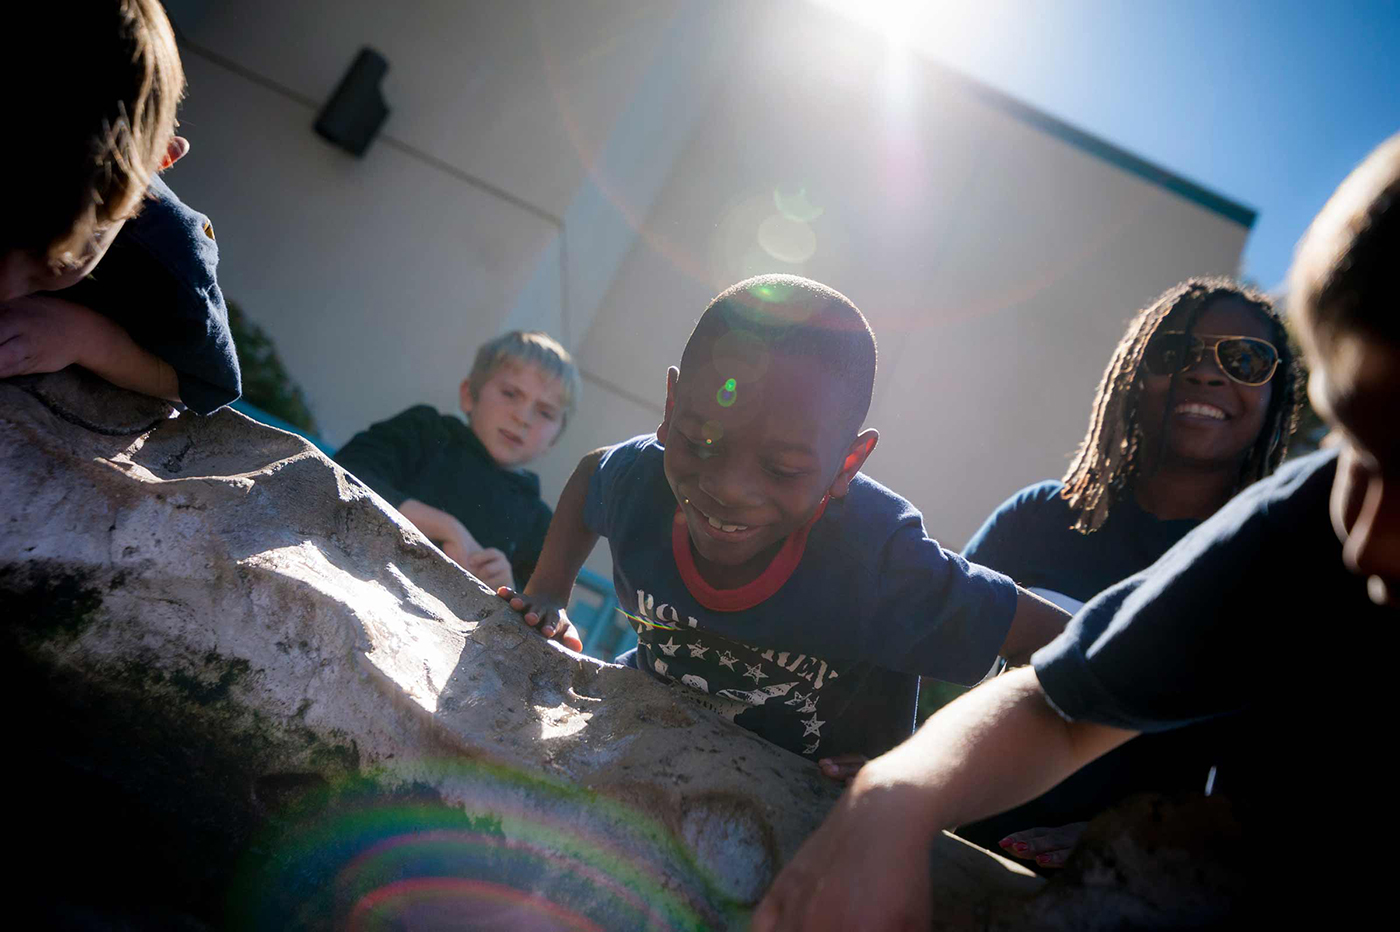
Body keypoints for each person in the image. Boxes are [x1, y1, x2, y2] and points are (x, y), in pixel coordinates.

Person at [752, 132, 1400, 931]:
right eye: (1356, 447)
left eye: (1244, 360)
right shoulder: (1287, 535)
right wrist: (894, 789)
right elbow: (1051, 702)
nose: (1369, 539)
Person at [499, 274, 1072, 762]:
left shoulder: (878, 559)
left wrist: (925, 770)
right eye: (701, 441)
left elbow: (1062, 644)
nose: (728, 488)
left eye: (782, 468)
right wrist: (548, 591)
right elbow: (589, 478)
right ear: (671, 407)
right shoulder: (639, 482)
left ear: (847, 464)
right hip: (652, 732)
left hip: (807, 794)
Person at [957, 278, 1303, 866]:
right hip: (955, 844)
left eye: (1244, 359)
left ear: (1277, 396)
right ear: (1132, 376)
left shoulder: (1278, 572)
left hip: (1136, 894)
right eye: (1176, 353)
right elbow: (934, 675)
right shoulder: (1037, 517)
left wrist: (1137, 844)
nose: (1206, 374)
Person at [0, 1, 241, 415]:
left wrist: (85, 338)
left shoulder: (168, 256)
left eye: (54, 262)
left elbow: (201, 383)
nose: (3, 289)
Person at [334, 330, 579, 592]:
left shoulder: (541, 524)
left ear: (555, 438)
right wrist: (446, 528)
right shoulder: (424, 432)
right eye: (510, 394)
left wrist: (508, 589)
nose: (523, 417)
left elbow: (539, 605)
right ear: (469, 395)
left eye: (544, 412)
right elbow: (344, 473)